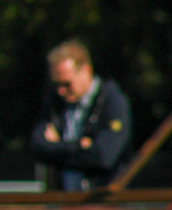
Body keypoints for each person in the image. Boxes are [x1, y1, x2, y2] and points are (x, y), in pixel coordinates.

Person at [29, 39, 133, 191]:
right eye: (56, 84)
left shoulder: (113, 101)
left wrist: (57, 146)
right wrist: (79, 145)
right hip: (63, 202)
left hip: (105, 204)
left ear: (86, 70)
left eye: (66, 83)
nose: (61, 91)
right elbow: (38, 147)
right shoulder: (54, 103)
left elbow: (104, 157)